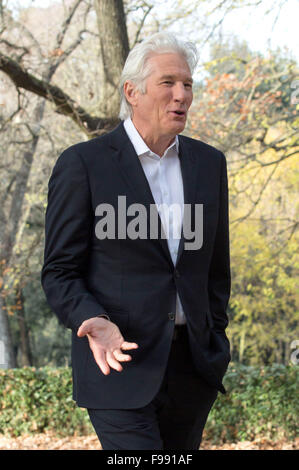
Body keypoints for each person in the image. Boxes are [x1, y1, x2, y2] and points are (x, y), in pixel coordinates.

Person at [41, 32, 231, 450]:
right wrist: (93, 320)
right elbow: (59, 271)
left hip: (192, 369)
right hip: (117, 363)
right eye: (168, 83)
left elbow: (216, 269)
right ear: (133, 92)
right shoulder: (83, 165)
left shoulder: (210, 164)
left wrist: (215, 336)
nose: (181, 95)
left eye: (188, 84)